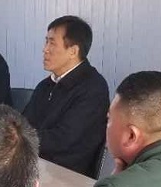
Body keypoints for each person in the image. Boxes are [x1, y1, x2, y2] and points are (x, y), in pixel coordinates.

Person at [23, 15, 110, 177]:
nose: (45, 49)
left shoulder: (93, 88)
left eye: (52, 43)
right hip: (35, 166)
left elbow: (64, 140)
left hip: (68, 175)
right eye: (46, 42)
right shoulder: (45, 85)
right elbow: (23, 122)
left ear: (73, 51)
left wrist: (19, 138)